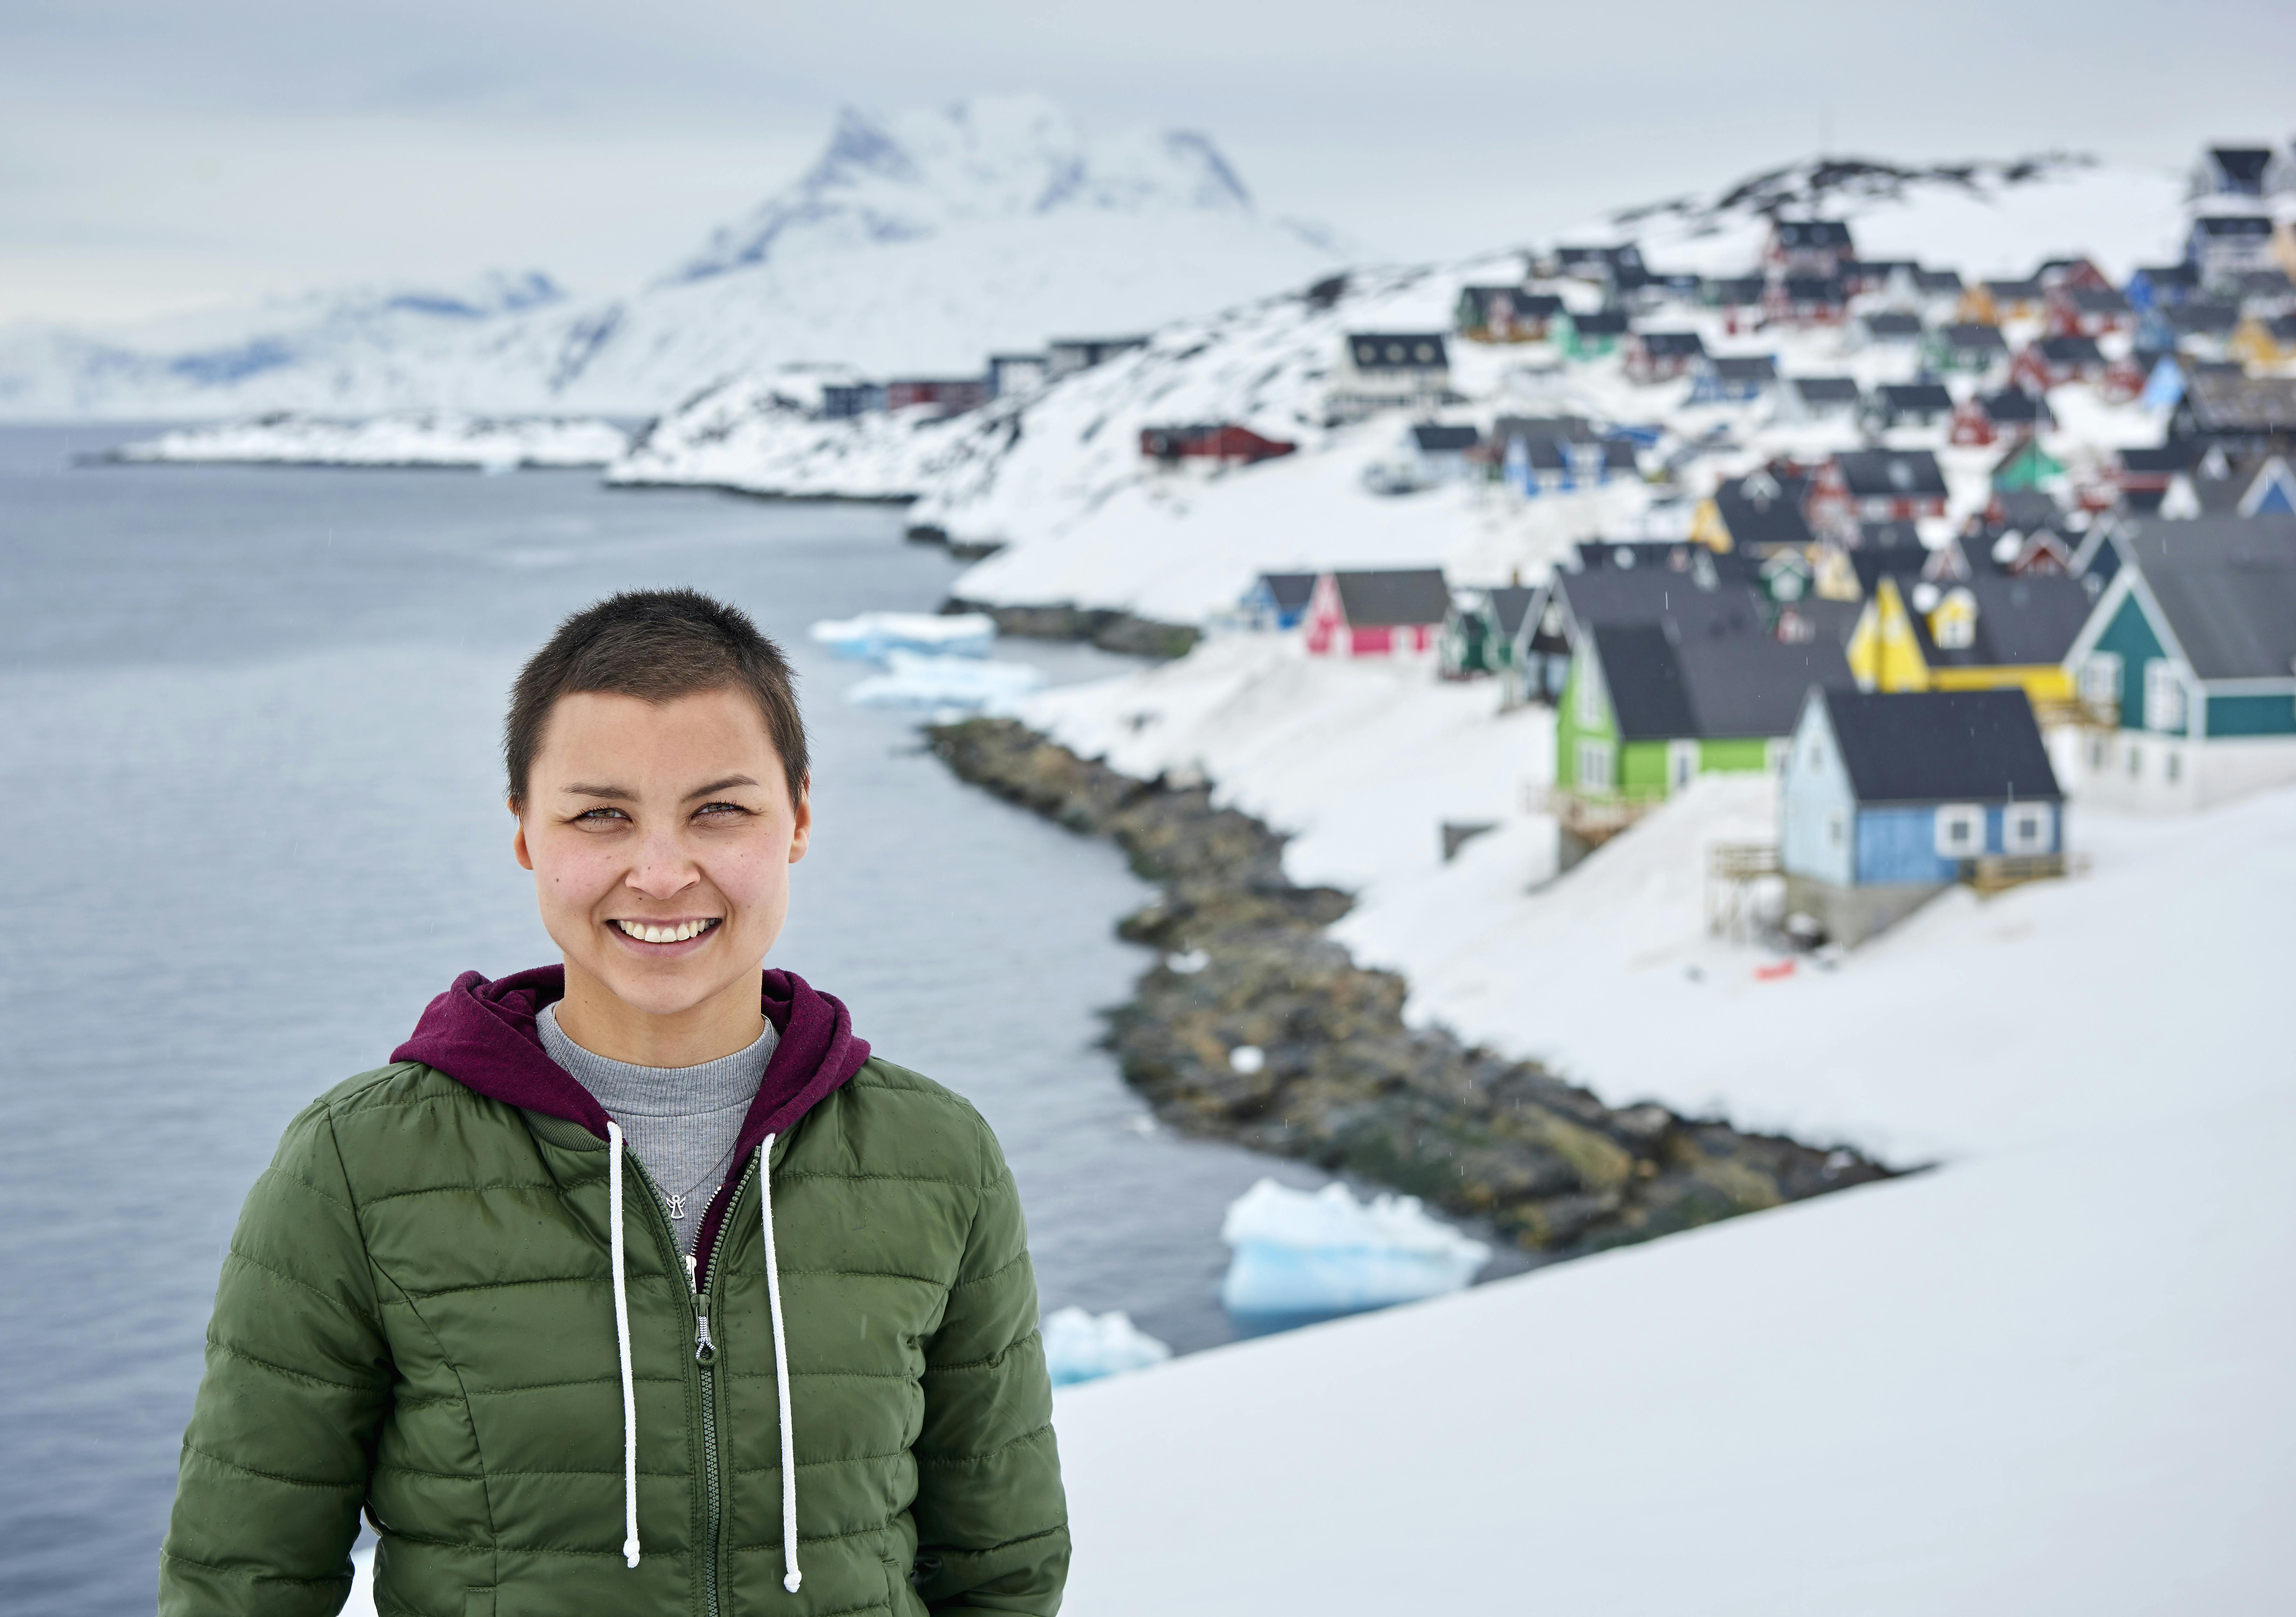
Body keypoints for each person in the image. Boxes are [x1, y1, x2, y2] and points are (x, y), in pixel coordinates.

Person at [159, 589, 1068, 1616]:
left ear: (800, 820)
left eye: (718, 810)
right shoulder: (359, 1166)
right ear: (524, 835)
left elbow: (1002, 1569)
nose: (663, 873)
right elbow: (242, 1584)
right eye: (601, 816)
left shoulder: (937, 1156)